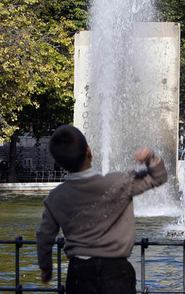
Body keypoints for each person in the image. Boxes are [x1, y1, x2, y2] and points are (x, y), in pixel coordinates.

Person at [36, 125, 167, 294]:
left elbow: (44, 236)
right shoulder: (120, 183)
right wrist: (150, 156)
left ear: (59, 163)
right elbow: (159, 177)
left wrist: (46, 268)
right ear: (89, 152)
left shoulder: (55, 198)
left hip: (78, 274)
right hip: (116, 271)